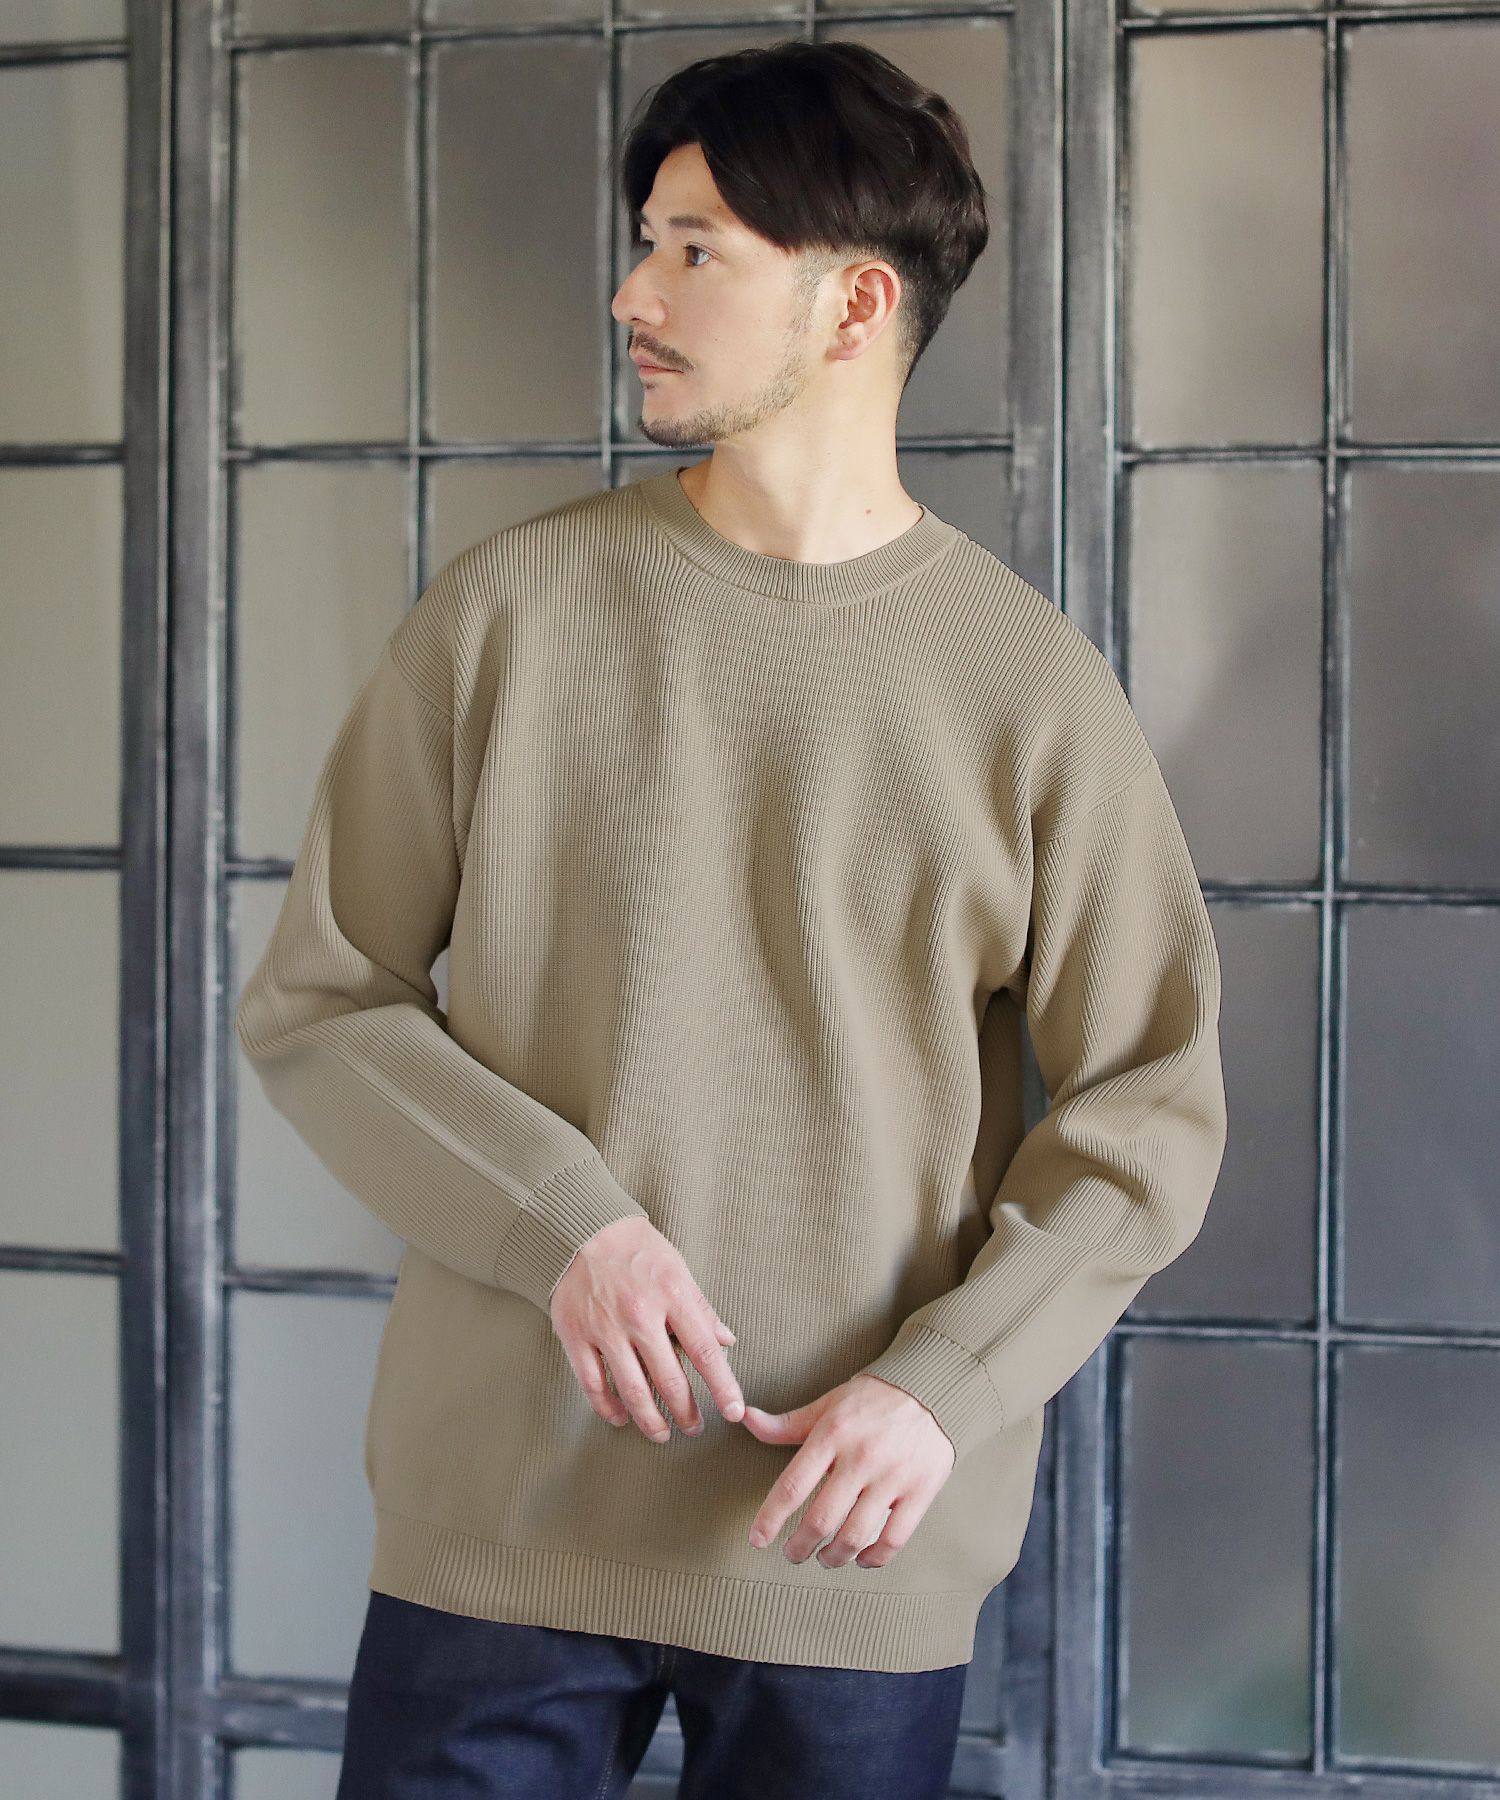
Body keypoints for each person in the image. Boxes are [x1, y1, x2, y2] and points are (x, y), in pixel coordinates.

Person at [234, 37, 1227, 1800]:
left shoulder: (1031, 694)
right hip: (504, 1524)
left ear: (855, 304)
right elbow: (324, 1000)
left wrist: (943, 1386)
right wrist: (567, 1229)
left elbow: (1147, 1118)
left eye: (695, 248)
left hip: (845, 1536)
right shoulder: (504, 618)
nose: (634, 292)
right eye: (647, 239)